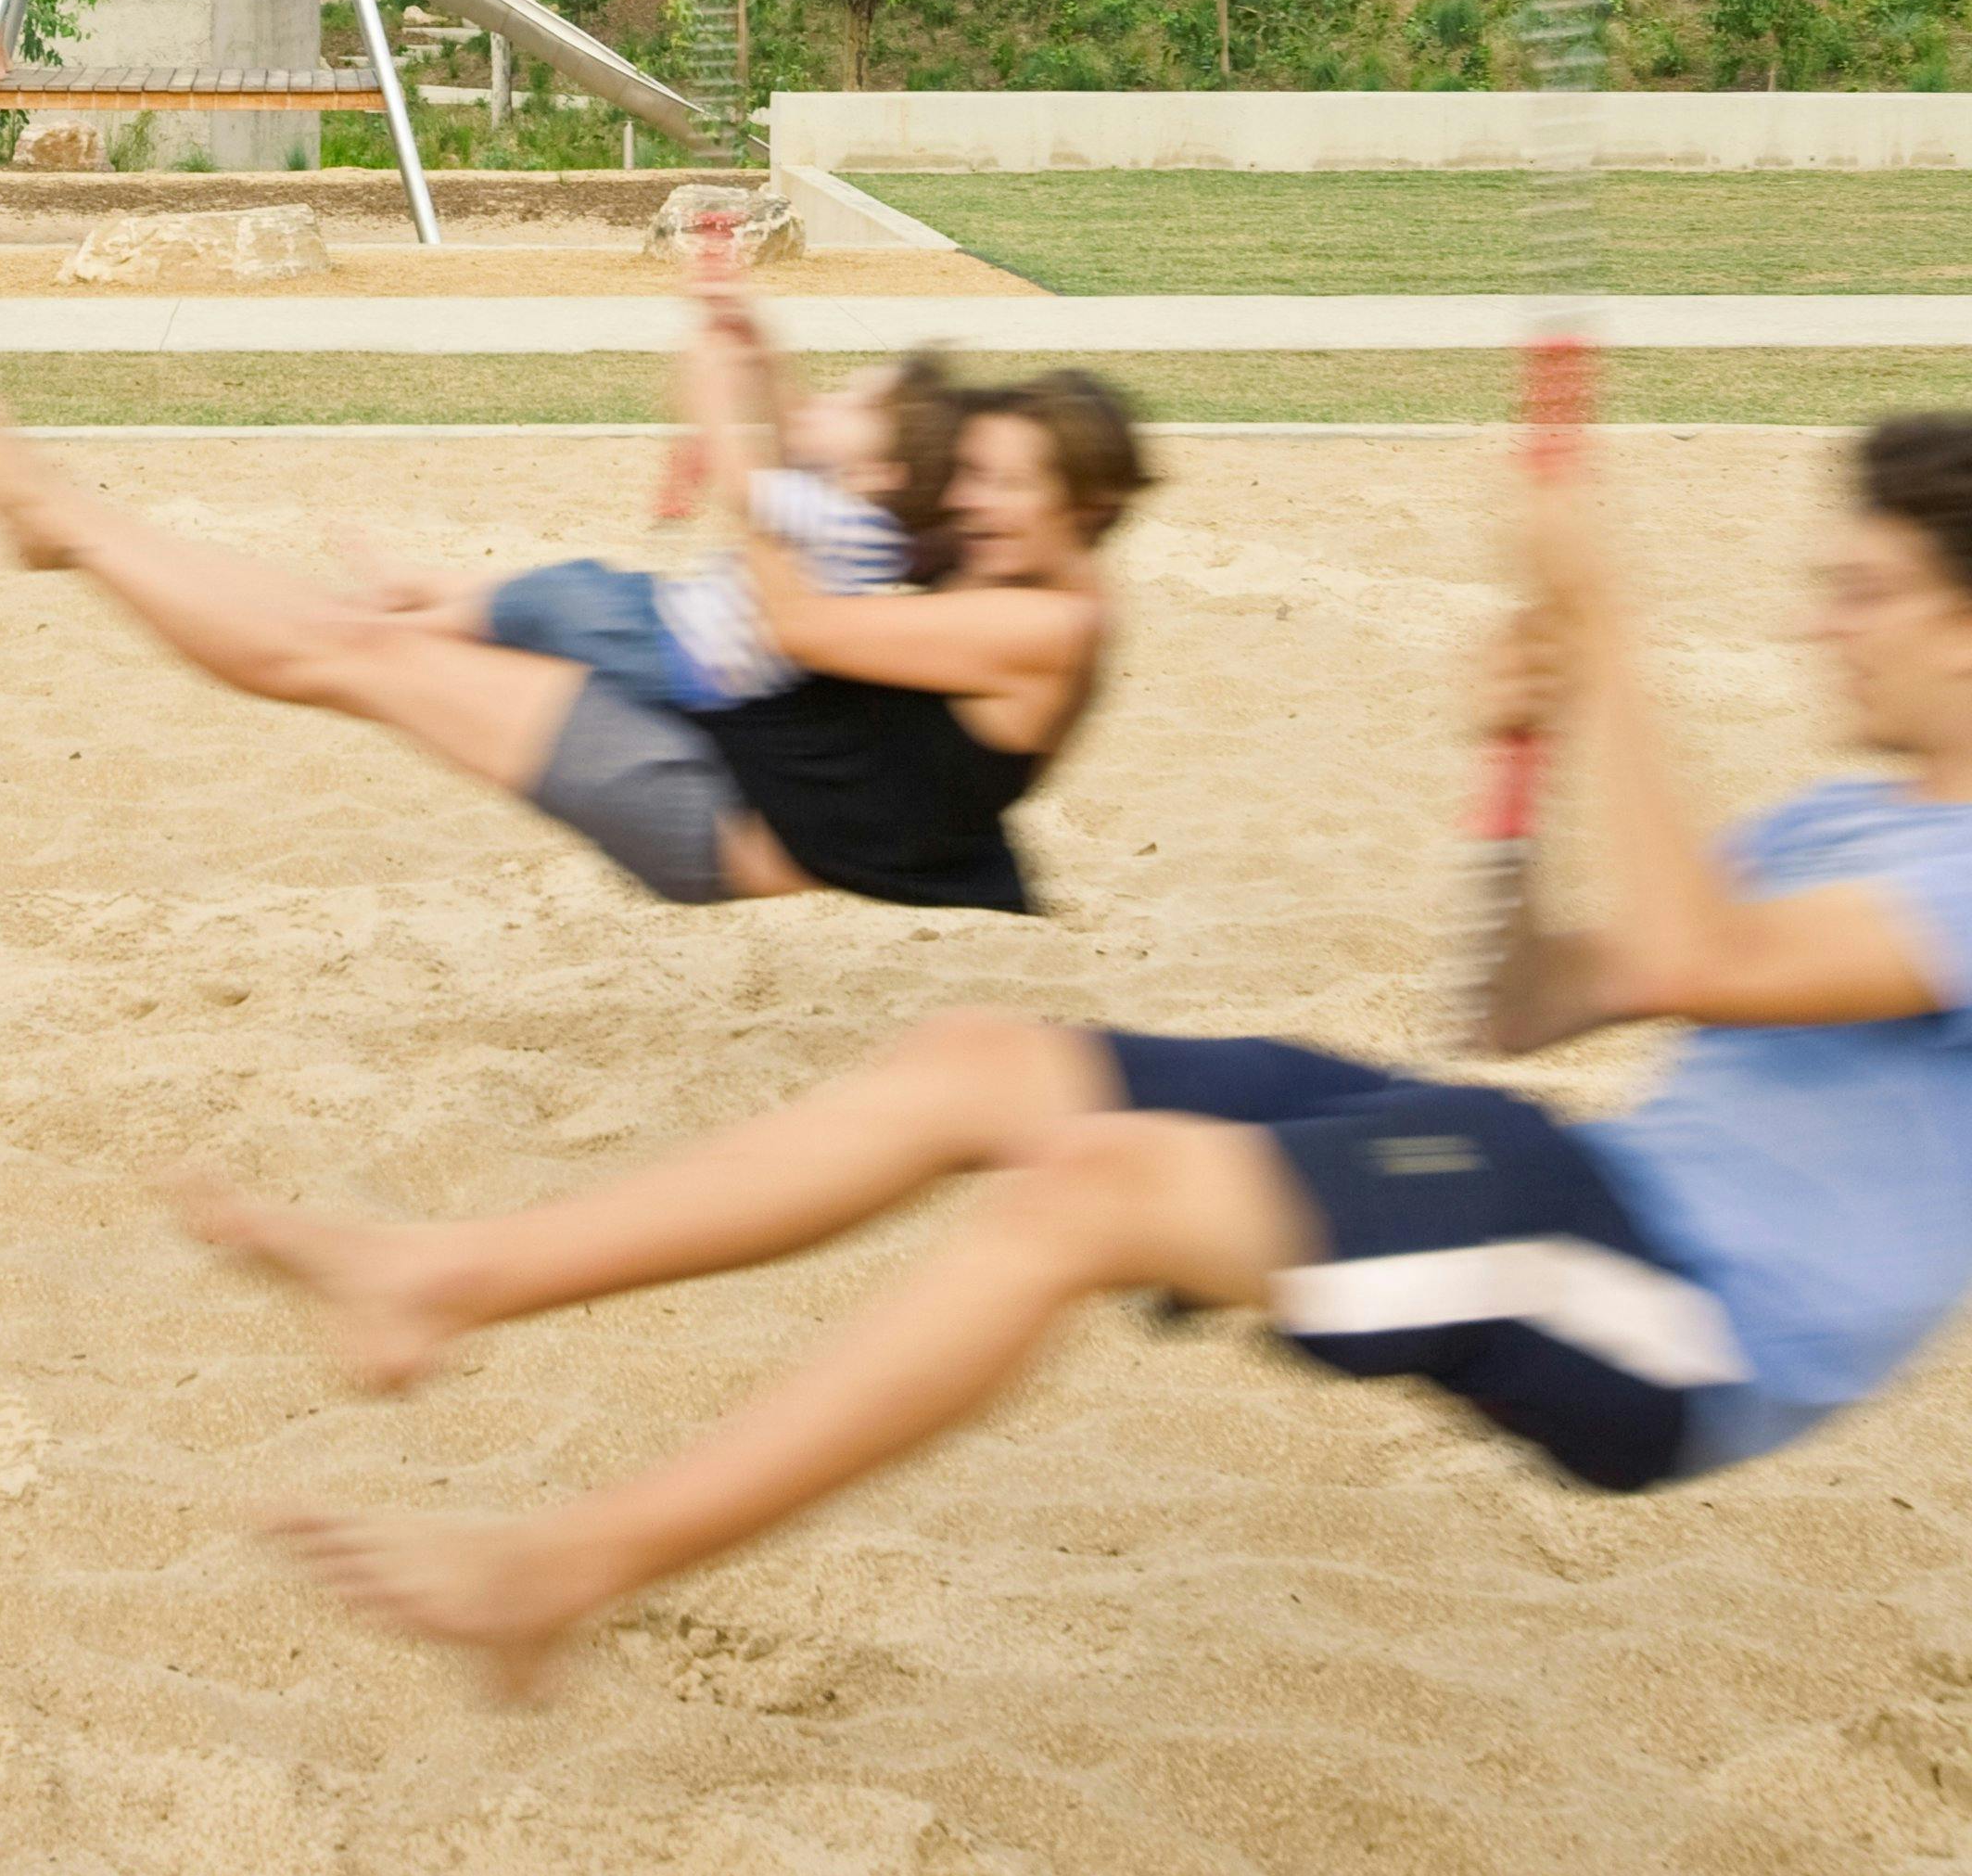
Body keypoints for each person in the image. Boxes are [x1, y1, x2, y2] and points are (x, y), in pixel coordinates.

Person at [186, 415, 1972, 1702]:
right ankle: (440, 1278)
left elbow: (1692, 956)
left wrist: (1608, 657)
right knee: (985, 1066)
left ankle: (564, 1568)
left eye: (1863, 592)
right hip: (1573, 1167)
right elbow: (1536, 1003)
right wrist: (1529, 762)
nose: (1824, 620)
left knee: (1091, 1195)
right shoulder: (1846, 818)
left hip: (1683, 1318)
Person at [0, 352, 1143, 914]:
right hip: (706, 745)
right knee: (363, 639)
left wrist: (741, 455)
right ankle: (72, 528)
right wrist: (747, 346)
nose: (973, 500)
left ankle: (68, 525)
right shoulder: (1007, 576)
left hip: (702, 806)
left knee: (356, 654)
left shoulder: (1040, 625)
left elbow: (794, 615)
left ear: (1084, 506)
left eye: (1009, 483)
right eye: (975, 476)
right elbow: (875, 463)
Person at [348, 296, 965, 716]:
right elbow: (796, 419)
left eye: (850, 405)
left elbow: (743, 483)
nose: (825, 401)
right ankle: (418, 588)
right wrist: (759, 344)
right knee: (566, 589)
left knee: (555, 603)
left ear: (880, 471)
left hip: (683, 657)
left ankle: (393, 632)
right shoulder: (860, 510)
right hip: (678, 626)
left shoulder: (843, 520)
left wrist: (709, 394)